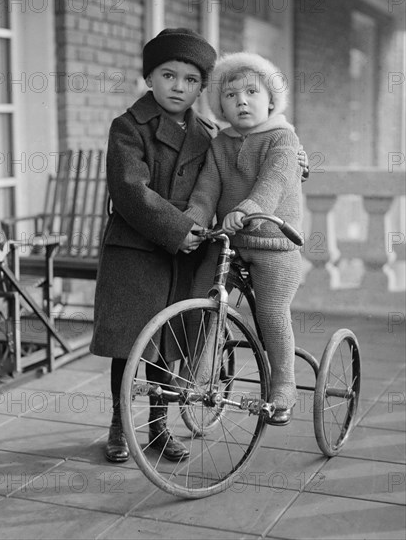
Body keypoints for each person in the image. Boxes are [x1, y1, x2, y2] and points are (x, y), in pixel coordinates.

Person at [91, 32, 309, 464]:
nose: (178, 87)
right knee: (131, 344)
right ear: (148, 77)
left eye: (191, 80)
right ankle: (120, 424)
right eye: (167, 75)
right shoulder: (129, 128)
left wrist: (300, 165)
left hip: (185, 250)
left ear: (200, 89)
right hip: (138, 249)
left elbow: (258, 168)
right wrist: (182, 225)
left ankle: (158, 427)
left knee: (170, 340)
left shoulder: (209, 132)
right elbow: (130, 190)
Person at [184, 52, 304, 426]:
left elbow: (274, 180)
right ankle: (201, 376)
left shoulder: (282, 138)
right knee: (203, 300)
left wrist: (249, 209)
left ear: (271, 99)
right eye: (231, 95)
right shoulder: (220, 144)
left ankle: (284, 384)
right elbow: (206, 189)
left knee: (269, 312)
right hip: (229, 245)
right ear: (220, 105)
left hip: (275, 244)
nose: (242, 101)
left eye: (252, 92)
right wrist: (191, 222)